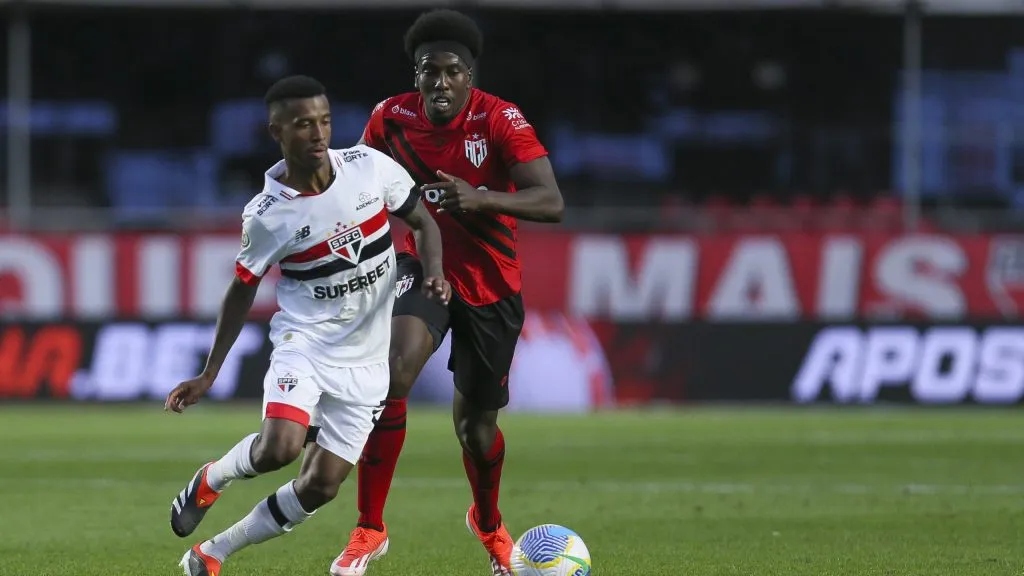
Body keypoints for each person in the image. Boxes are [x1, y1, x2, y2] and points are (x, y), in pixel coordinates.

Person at [163, 74, 450, 576]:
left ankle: (213, 553)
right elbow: (242, 289)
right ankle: (213, 477)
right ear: (276, 131)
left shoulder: (369, 167)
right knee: (280, 448)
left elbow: (424, 221)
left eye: (324, 121)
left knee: (320, 487)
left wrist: (434, 273)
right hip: (307, 344)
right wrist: (210, 373)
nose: (317, 134)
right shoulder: (267, 215)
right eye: (302, 125)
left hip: (367, 362)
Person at [312, 9, 565, 576]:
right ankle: (369, 528)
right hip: (422, 268)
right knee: (394, 372)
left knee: (477, 430)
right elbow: (353, 184)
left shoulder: (501, 119)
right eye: (430, 71)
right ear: (416, 74)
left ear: (470, 76)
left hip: (492, 286)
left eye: (453, 71)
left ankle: (488, 520)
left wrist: (480, 198)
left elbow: (551, 202)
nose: (440, 82)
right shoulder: (389, 118)